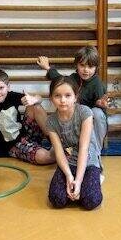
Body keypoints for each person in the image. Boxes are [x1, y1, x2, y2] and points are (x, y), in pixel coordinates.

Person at [0, 69, 54, 165]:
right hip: (13, 145)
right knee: (45, 157)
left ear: (8, 87)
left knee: (35, 106)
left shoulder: (11, 96)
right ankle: (60, 154)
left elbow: (39, 99)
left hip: (27, 134)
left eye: (1, 88)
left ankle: (55, 141)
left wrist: (33, 99)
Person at [37, 46, 111, 149]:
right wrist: (48, 68)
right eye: (82, 65)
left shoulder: (97, 84)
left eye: (90, 67)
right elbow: (59, 79)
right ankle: (67, 146)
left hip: (89, 120)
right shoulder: (73, 78)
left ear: (96, 67)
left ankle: (95, 150)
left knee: (97, 113)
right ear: (76, 64)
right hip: (75, 119)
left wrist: (99, 104)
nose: (86, 70)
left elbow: (101, 117)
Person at [47, 76, 103, 210]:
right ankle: (81, 185)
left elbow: (84, 148)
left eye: (68, 95)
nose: (63, 100)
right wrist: (69, 177)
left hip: (88, 161)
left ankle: (96, 177)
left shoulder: (85, 113)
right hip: (68, 162)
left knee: (91, 200)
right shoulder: (51, 121)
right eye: (57, 96)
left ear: (75, 97)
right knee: (57, 199)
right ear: (51, 98)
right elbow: (59, 153)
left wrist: (78, 180)